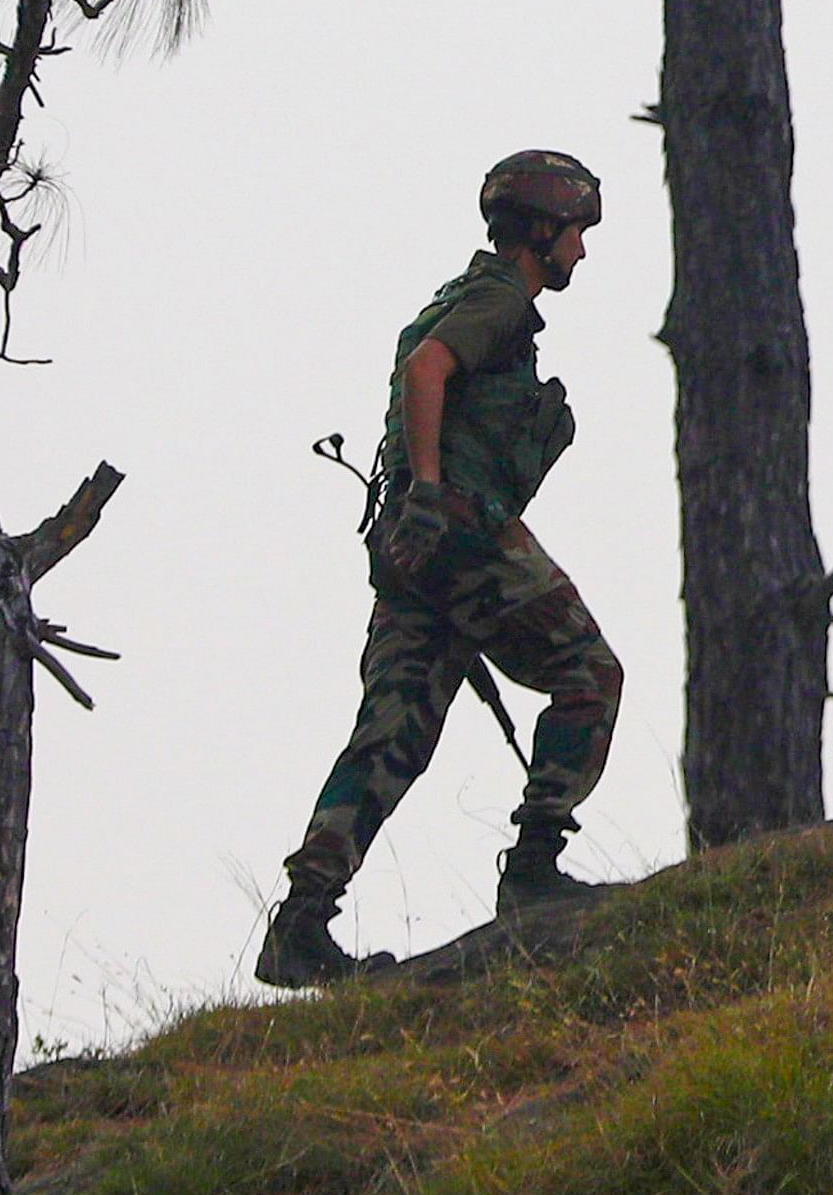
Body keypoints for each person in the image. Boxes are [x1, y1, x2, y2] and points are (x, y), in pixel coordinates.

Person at [258, 151, 630, 988]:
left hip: (411, 554)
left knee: (392, 733)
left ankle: (300, 922)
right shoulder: (497, 300)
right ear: (542, 232)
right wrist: (430, 493)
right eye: (576, 234)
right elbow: (431, 368)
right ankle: (534, 866)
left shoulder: (461, 296)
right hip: (458, 531)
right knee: (588, 673)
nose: (581, 252)